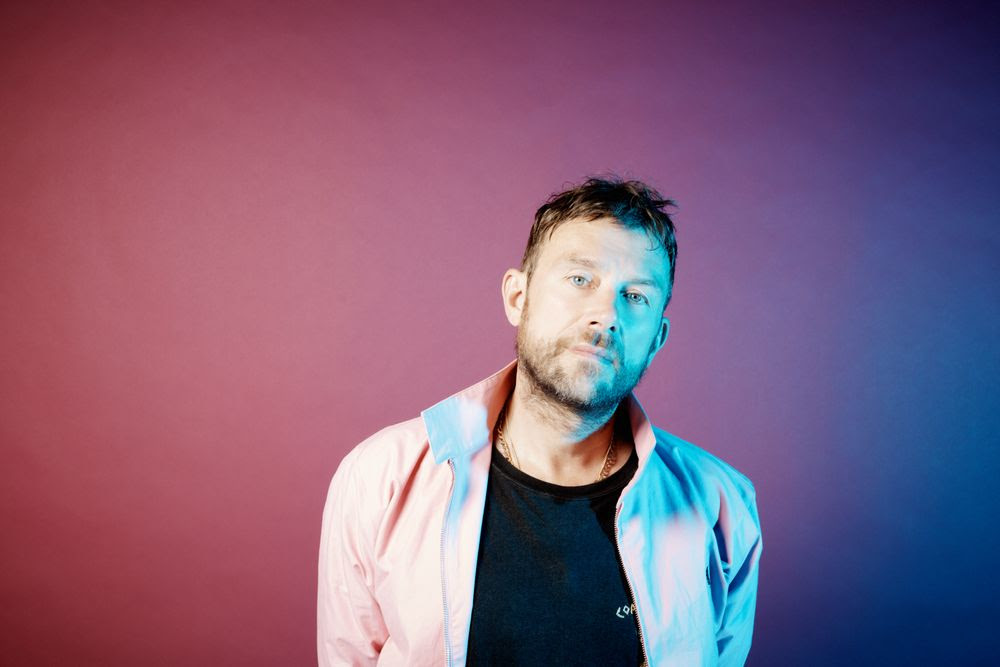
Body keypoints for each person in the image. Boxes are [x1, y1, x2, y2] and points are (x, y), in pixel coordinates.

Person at [317, 177, 762, 666]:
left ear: (656, 338)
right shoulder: (380, 478)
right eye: (580, 279)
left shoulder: (721, 506)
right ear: (517, 297)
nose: (605, 315)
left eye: (635, 296)